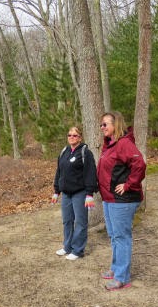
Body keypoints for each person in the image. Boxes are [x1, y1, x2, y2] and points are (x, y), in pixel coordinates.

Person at [97, 111, 146, 291]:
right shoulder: (109, 145)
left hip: (122, 200)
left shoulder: (124, 143)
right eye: (101, 125)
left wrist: (128, 185)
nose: (102, 128)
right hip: (109, 198)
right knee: (114, 235)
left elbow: (139, 164)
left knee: (121, 237)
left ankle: (122, 278)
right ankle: (116, 268)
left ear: (115, 124)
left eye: (105, 124)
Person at [51, 126, 98, 260]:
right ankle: (67, 247)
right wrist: (56, 191)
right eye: (69, 135)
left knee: (81, 222)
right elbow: (59, 172)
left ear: (80, 138)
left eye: (75, 135)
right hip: (66, 194)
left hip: (80, 193)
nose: (72, 137)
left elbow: (91, 173)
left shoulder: (85, 153)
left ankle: (78, 250)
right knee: (67, 221)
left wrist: (89, 194)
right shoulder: (64, 151)